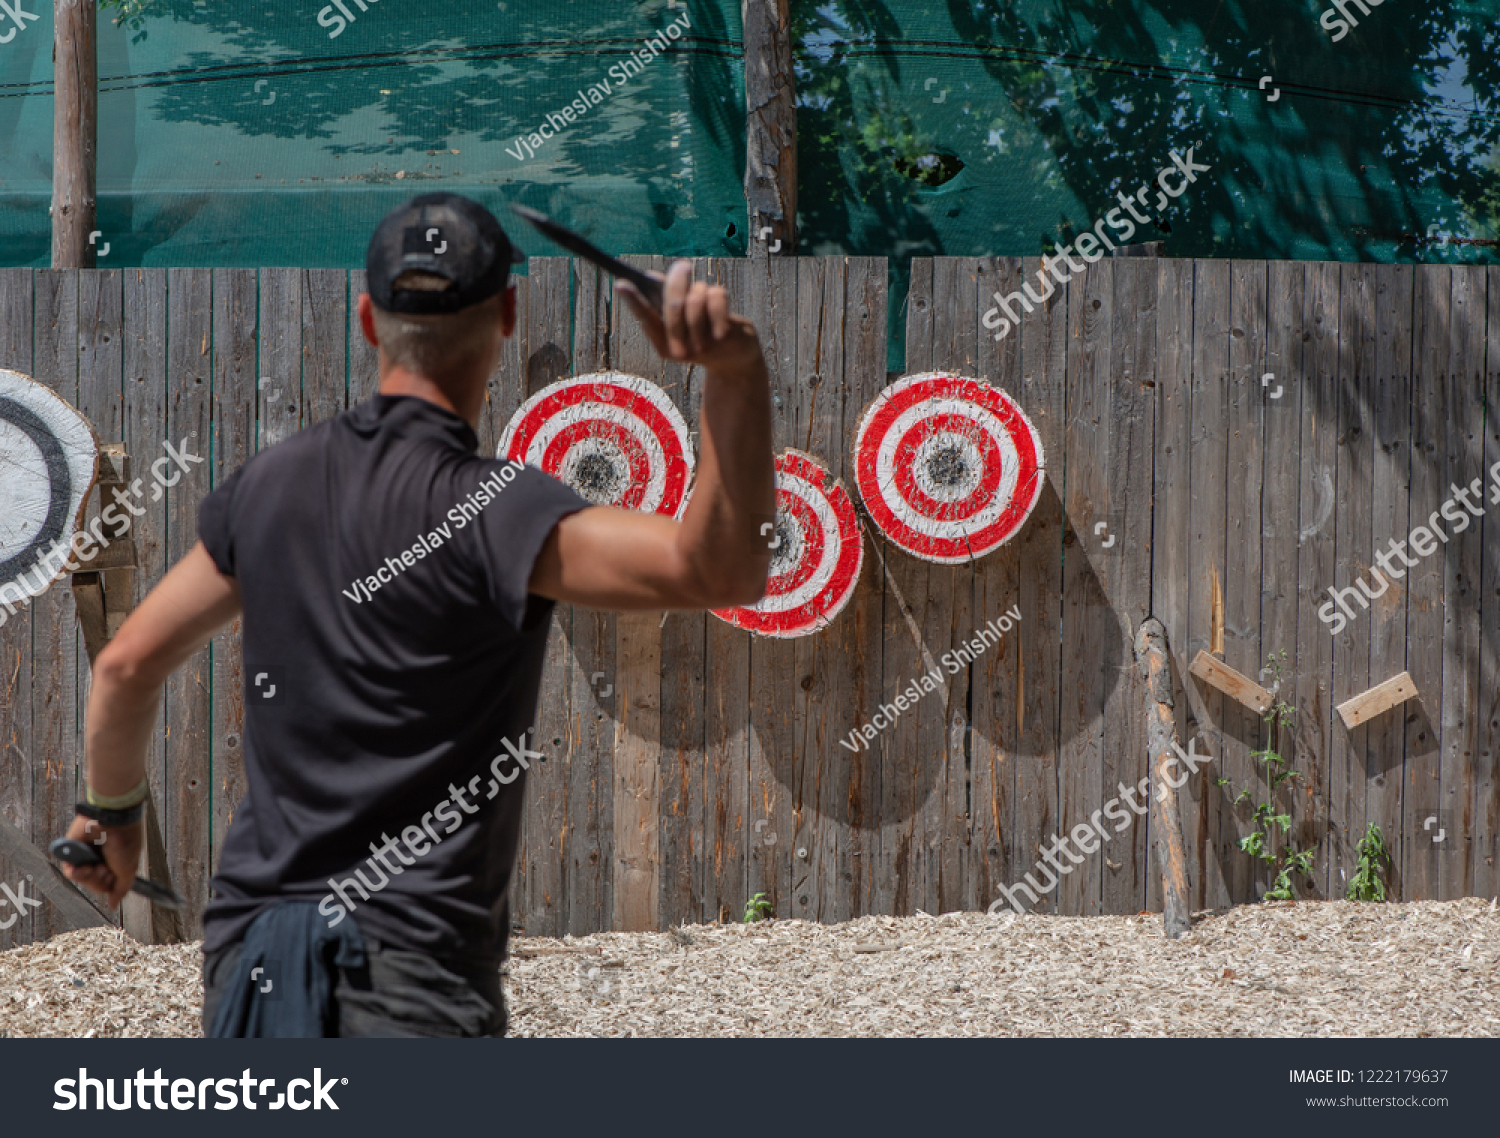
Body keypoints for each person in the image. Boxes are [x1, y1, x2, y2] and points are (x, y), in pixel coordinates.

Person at [59, 192, 775, 1037]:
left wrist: (112, 815)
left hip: (255, 961)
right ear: (508, 315)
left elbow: (125, 665)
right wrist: (735, 374)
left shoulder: (272, 488)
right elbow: (721, 569)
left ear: (367, 319)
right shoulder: (503, 516)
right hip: (411, 979)